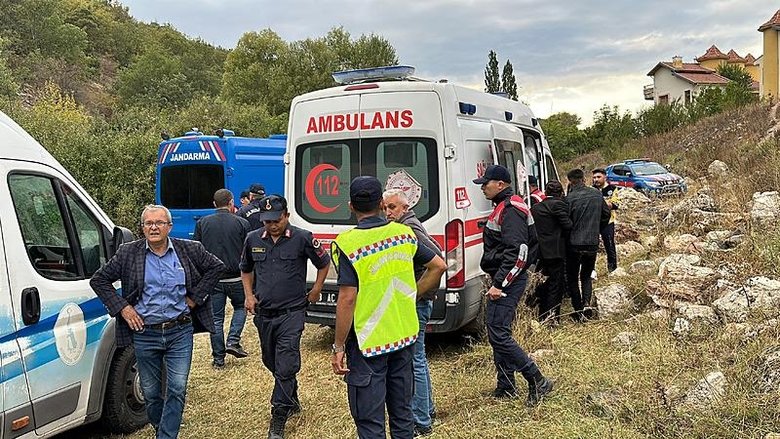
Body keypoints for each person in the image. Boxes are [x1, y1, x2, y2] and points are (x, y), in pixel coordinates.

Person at [90, 205, 224, 439]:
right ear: (142, 228)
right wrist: (123, 308)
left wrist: (194, 298)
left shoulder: (189, 249)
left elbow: (216, 267)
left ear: (169, 227)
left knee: (177, 388)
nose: (154, 227)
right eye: (148, 223)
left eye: (159, 223)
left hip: (179, 331)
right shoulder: (128, 253)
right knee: (151, 393)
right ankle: (162, 428)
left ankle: (166, 435)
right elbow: (99, 280)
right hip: (145, 333)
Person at [331, 176, 446, 439]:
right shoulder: (403, 234)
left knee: (370, 421)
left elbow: (348, 299)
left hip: (368, 342)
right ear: (382, 204)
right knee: (402, 414)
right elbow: (439, 265)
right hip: (404, 335)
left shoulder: (347, 243)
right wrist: (414, 295)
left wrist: (338, 346)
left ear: (351, 206)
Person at [240, 195, 330, 439]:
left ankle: (278, 415)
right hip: (264, 314)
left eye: (276, 220)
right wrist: (248, 296)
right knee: (272, 362)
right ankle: (292, 396)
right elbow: (245, 269)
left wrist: (317, 289)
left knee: (287, 362)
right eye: (267, 221)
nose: (272, 225)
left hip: (292, 312)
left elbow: (324, 262)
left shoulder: (302, 237)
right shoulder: (252, 239)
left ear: (286, 216)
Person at [472, 164, 553, 406]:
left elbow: (518, 251)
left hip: (508, 280)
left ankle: (537, 379)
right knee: (497, 330)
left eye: (486, 183)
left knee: (498, 333)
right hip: (504, 277)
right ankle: (506, 385)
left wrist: (500, 284)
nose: (483, 188)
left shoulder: (511, 209)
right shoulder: (502, 207)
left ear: (501, 184)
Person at [383, 188, 442, 436]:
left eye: (392, 208)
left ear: (405, 208)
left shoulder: (409, 228)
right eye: (384, 208)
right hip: (419, 300)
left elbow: (437, 257)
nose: (387, 213)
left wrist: (416, 292)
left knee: (414, 360)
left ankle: (421, 422)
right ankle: (427, 410)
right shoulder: (409, 223)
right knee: (419, 358)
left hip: (417, 302)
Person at [193, 189, 252, 369]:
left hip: (214, 279)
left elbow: (197, 252)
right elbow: (248, 252)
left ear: (214, 203)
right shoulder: (242, 223)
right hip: (236, 277)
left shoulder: (203, 223)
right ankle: (233, 340)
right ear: (231, 202)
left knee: (216, 319)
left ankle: (218, 360)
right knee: (241, 308)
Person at [565, 169, 611, 322]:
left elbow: (566, 222)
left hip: (574, 243)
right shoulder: (596, 194)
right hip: (591, 242)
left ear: (570, 181)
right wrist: (597, 228)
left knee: (572, 277)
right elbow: (606, 214)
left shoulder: (569, 198)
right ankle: (586, 304)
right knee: (586, 275)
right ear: (584, 179)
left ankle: (578, 310)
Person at [530, 181, 572, 324]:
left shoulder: (535, 208)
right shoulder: (558, 205)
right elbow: (568, 225)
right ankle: (552, 317)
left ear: (546, 192)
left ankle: (541, 314)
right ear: (560, 193)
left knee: (542, 283)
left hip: (540, 252)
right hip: (556, 251)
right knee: (555, 285)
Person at [592, 168, 620, 272]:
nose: (596, 180)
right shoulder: (591, 190)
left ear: (605, 177)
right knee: (592, 248)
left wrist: (600, 202)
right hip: (593, 222)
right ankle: (592, 271)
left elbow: (615, 204)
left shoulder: (612, 189)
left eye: (598, 177)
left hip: (608, 222)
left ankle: (612, 269)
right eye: (594, 177)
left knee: (610, 246)